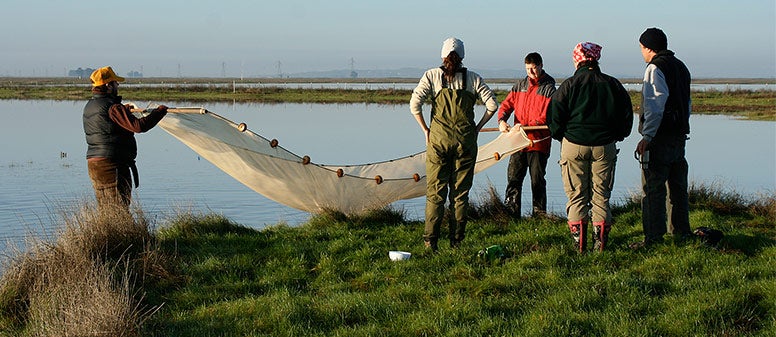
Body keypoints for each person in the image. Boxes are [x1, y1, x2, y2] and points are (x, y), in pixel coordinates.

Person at [410, 37, 499, 251]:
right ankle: (456, 242)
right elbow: (493, 105)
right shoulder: (474, 79)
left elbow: (415, 104)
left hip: (438, 142)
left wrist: (426, 130)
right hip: (466, 142)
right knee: (460, 194)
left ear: (442, 55)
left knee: (436, 192)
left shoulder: (431, 76)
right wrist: (477, 128)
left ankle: (430, 241)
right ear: (463, 56)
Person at [547, 42, 633, 252]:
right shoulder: (613, 84)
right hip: (605, 146)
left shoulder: (568, 85)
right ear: (596, 59)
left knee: (576, 195)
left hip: (573, 145)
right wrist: (618, 135)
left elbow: (554, 118)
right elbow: (626, 117)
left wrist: (561, 136)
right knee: (601, 195)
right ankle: (600, 246)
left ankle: (580, 247)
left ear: (577, 60)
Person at [631, 28, 693, 249]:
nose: (641, 52)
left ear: (648, 47)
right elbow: (687, 103)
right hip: (679, 135)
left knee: (653, 188)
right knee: (678, 188)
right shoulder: (681, 67)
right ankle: (681, 233)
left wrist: (647, 136)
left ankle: (653, 238)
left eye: (641, 48)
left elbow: (655, 104)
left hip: (660, 138)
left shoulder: (654, 68)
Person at [83, 66, 168, 211]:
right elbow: (139, 126)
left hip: (95, 165)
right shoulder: (112, 107)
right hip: (112, 165)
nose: (118, 85)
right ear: (108, 86)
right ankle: (124, 234)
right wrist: (159, 112)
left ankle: (107, 233)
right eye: (115, 83)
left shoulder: (90, 105)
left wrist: (124, 110)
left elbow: (108, 124)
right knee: (119, 208)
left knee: (106, 209)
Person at [497, 52, 556, 219]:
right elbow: (506, 105)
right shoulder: (519, 86)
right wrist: (502, 120)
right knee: (514, 177)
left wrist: (528, 126)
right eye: (528, 69)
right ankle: (511, 214)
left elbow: (548, 116)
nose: (532, 72)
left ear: (541, 65)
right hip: (517, 141)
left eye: (534, 68)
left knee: (537, 180)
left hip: (538, 142)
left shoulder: (549, 88)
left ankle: (539, 216)